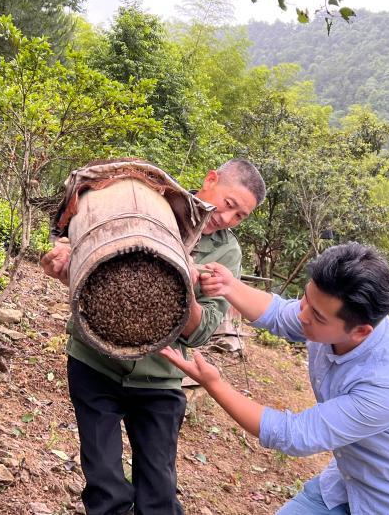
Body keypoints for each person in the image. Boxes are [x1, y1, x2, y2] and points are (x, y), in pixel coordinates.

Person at [161, 242, 389, 515]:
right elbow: (280, 314)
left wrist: (215, 384)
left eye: (317, 316)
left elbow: (293, 434)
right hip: (349, 483)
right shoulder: (329, 318)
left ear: (360, 331)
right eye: (305, 299)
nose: (302, 315)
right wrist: (230, 286)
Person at [41, 158, 265, 515]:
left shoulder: (228, 253)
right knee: (104, 487)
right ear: (210, 180)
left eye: (240, 216)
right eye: (229, 205)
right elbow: (85, 259)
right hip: (94, 365)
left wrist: (184, 288)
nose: (227, 218)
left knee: (158, 494)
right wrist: (61, 260)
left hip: (159, 382)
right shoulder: (145, 202)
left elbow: (201, 331)